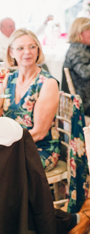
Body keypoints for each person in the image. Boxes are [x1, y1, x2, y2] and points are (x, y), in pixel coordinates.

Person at [0, 117, 90, 234]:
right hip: (17, 145)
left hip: (40, 146)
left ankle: (73, 220)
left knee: (22, 177)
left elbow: (39, 133)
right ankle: (72, 221)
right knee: (25, 186)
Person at [1, 29, 60, 171]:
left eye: (32, 47)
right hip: (10, 146)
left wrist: (6, 147)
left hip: (39, 149)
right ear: (11, 52)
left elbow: (39, 133)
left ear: (38, 50)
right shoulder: (8, 78)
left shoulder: (47, 83)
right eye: (20, 48)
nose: (27, 52)